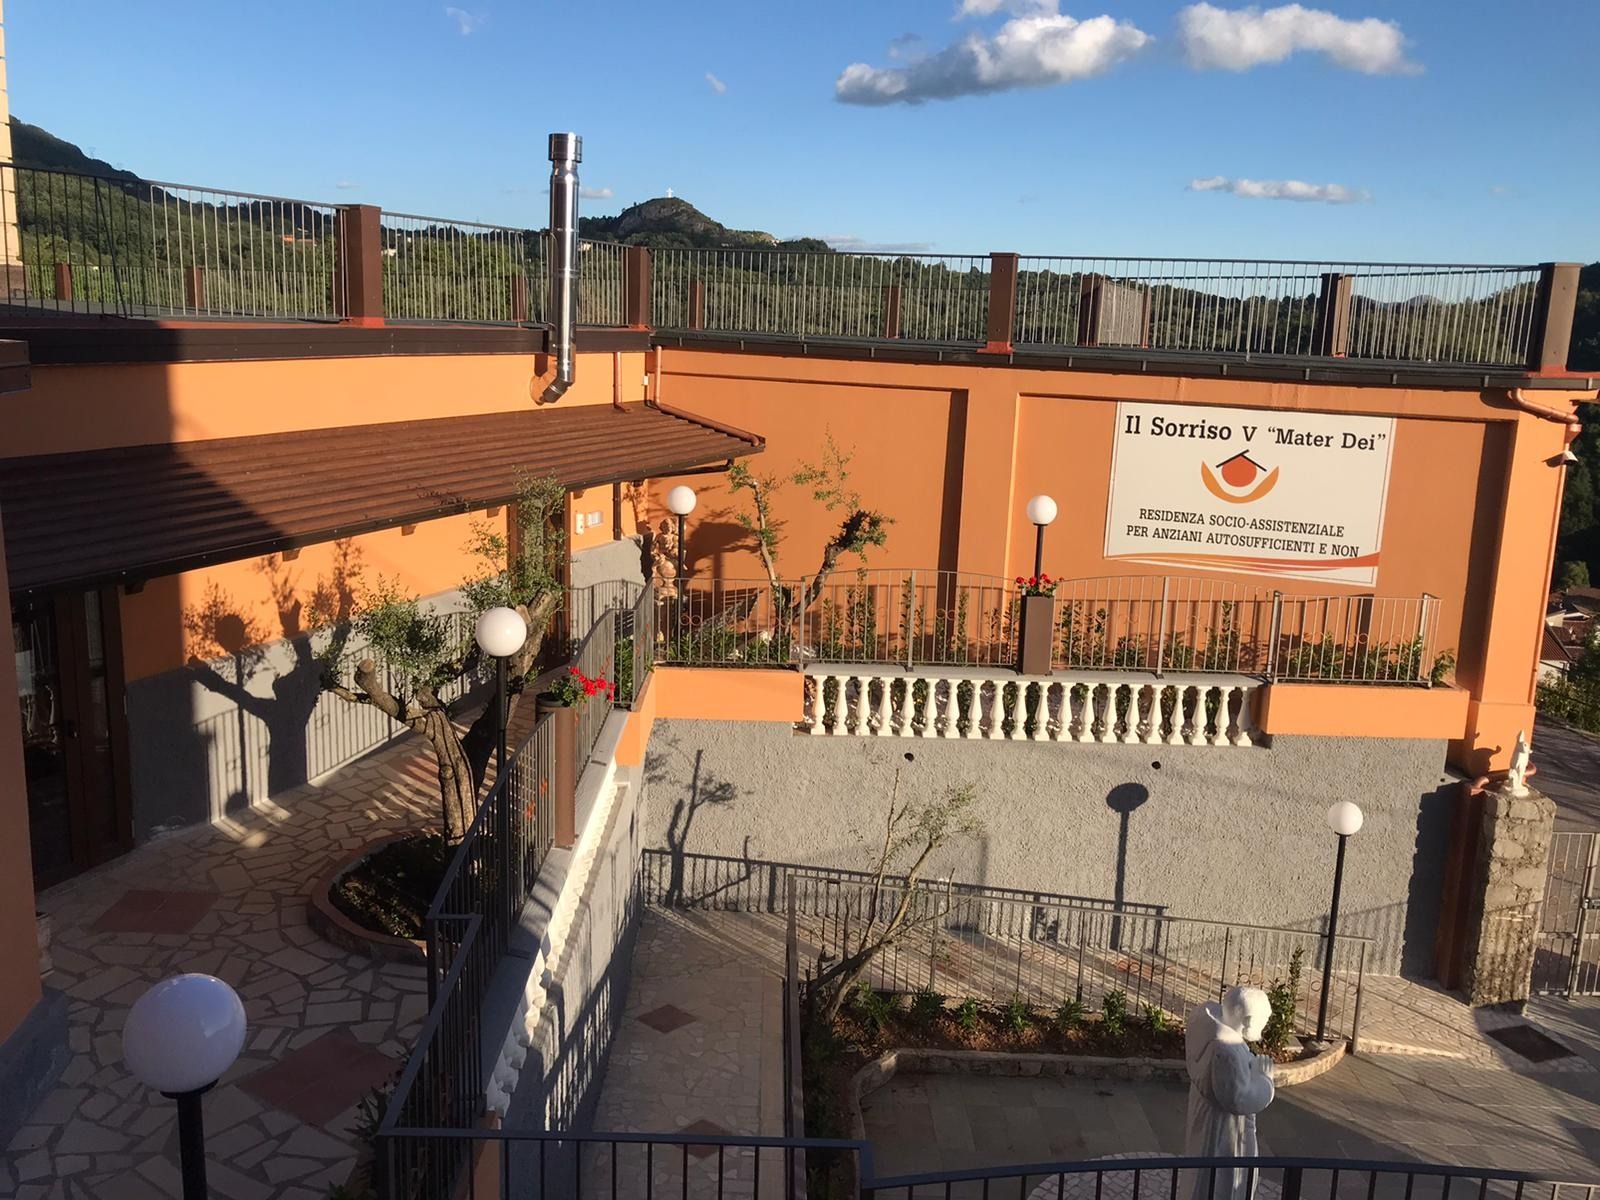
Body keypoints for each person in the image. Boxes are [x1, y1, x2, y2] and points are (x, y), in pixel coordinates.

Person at [1183, 987, 1275, 1200]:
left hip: (1205, 1116)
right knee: (1221, 1181)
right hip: (1225, 1131)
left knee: (1201, 1172)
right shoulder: (1227, 1053)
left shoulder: (1206, 1027)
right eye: (1264, 1020)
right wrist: (1264, 1079)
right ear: (1249, 1021)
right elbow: (1238, 1099)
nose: (1265, 1025)